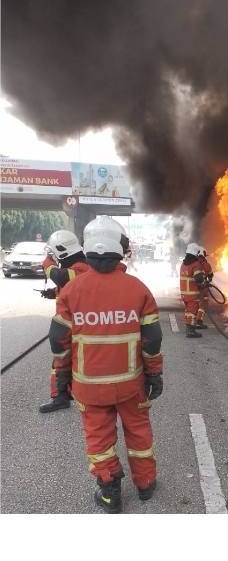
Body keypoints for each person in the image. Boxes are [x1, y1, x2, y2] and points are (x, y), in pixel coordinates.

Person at [48, 216, 163, 513]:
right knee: (139, 432)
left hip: (89, 388)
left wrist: (61, 377)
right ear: (120, 248)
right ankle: (146, 484)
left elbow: (58, 341)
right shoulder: (138, 289)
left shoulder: (71, 292)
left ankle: (110, 492)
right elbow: (152, 340)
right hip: (131, 384)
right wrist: (155, 374)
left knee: (99, 439)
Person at [38, 230, 91, 413]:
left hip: (74, 325)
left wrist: (47, 265)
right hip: (72, 324)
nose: (53, 258)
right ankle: (65, 392)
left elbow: (63, 278)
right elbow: (69, 288)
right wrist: (53, 293)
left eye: (54, 254)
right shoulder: (76, 267)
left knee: (62, 359)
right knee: (64, 359)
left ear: (62, 252)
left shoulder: (81, 268)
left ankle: (61, 396)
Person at [179, 243, 206, 338]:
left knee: (188, 311)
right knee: (192, 311)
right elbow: (198, 278)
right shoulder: (195, 265)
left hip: (184, 294)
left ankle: (188, 328)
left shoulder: (183, 264)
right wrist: (203, 283)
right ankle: (190, 331)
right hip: (192, 294)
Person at [195, 244, 214, 330]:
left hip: (194, 289)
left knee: (194, 305)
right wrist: (208, 281)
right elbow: (210, 275)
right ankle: (199, 321)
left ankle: (191, 322)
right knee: (203, 305)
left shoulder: (193, 264)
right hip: (203, 289)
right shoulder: (207, 265)